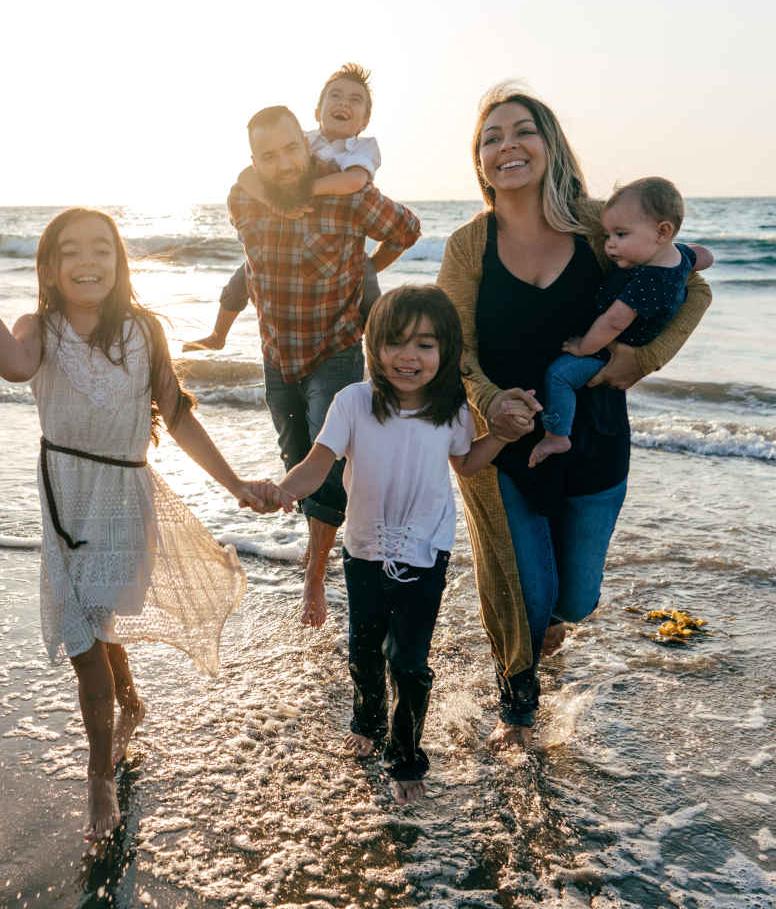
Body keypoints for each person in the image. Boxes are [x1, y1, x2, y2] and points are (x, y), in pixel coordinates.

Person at [0, 208, 266, 842]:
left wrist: (237, 484)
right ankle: (101, 772)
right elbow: (12, 367)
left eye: (102, 251)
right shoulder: (39, 328)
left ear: (120, 261)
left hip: (122, 499)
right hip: (65, 501)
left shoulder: (143, 330)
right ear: (50, 269)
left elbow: (180, 415)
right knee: (86, 643)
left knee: (101, 619)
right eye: (71, 253)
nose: (88, 263)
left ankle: (110, 746)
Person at [436, 84, 712, 750]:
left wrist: (639, 360)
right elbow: (453, 347)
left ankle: (546, 632)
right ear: (479, 162)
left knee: (576, 599)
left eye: (522, 130)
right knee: (521, 594)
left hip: (594, 444)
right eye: (491, 136)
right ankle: (517, 717)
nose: (507, 145)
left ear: (551, 143)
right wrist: (491, 401)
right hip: (501, 448)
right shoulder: (469, 246)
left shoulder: (602, 228)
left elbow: (691, 285)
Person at [258, 285, 510, 804]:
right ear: (373, 346)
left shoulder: (451, 409)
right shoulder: (353, 402)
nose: (408, 356)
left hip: (425, 550)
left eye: (424, 344)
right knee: (365, 648)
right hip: (363, 548)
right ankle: (367, 719)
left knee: (410, 660)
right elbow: (317, 465)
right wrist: (282, 491)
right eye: (395, 342)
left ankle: (405, 755)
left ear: (446, 351)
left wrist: (503, 435)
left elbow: (465, 464)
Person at [229, 104, 421, 627]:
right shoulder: (243, 195)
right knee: (296, 462)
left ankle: (315, 577)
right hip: (277, 354)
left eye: (292, 148)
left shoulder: (350, 194)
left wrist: (364, 265)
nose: (283, 162)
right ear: (254, 160)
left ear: (306, 143)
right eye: (268, 155)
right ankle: (342, 537)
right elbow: (257, 250)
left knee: (327, 462)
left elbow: (407, 229)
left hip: (335, 348)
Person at [184, 63, 383, 354]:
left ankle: (381, 349)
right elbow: (247, 177)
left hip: (340, 241)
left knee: (371, 296)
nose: (343, 103)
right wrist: (277, 202)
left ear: (364, 120)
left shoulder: (363, 149)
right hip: (282, 235)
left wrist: (304, 193)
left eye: (355, 100)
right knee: (244, 277)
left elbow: (354, 180)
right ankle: (217, 335)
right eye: (335, 96)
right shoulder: (299, 140)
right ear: (317, 112)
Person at [529, 177, 715, 467]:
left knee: (559, 376)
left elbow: (613, 322)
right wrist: (682, 253)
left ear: (662, 232)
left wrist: (583, 348)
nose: (610, 245)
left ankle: (557, 434)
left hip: (609, 352)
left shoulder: (649, 281)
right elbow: (704, 255)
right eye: (608, 236)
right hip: (623, 337)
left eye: (621, 235)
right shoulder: (676, 258)